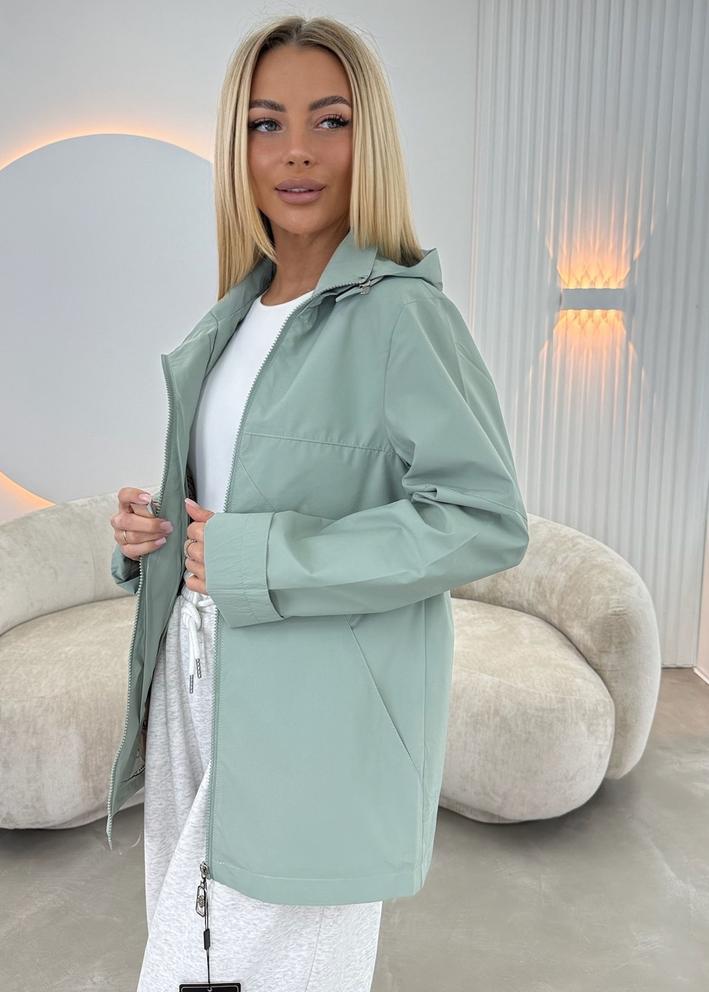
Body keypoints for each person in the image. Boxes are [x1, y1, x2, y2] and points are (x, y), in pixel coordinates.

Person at [108, 14, 529, 992]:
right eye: (266, 124)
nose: (295, 150)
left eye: (328, 120)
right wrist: (153, 538)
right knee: (193, 958)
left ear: (366, 139)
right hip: (192, 683)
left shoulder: (402, 314)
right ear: (238, 147)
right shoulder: (231, 317)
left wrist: (263, 557)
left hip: (314, 715)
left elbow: (482, 519)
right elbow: (232, 500)